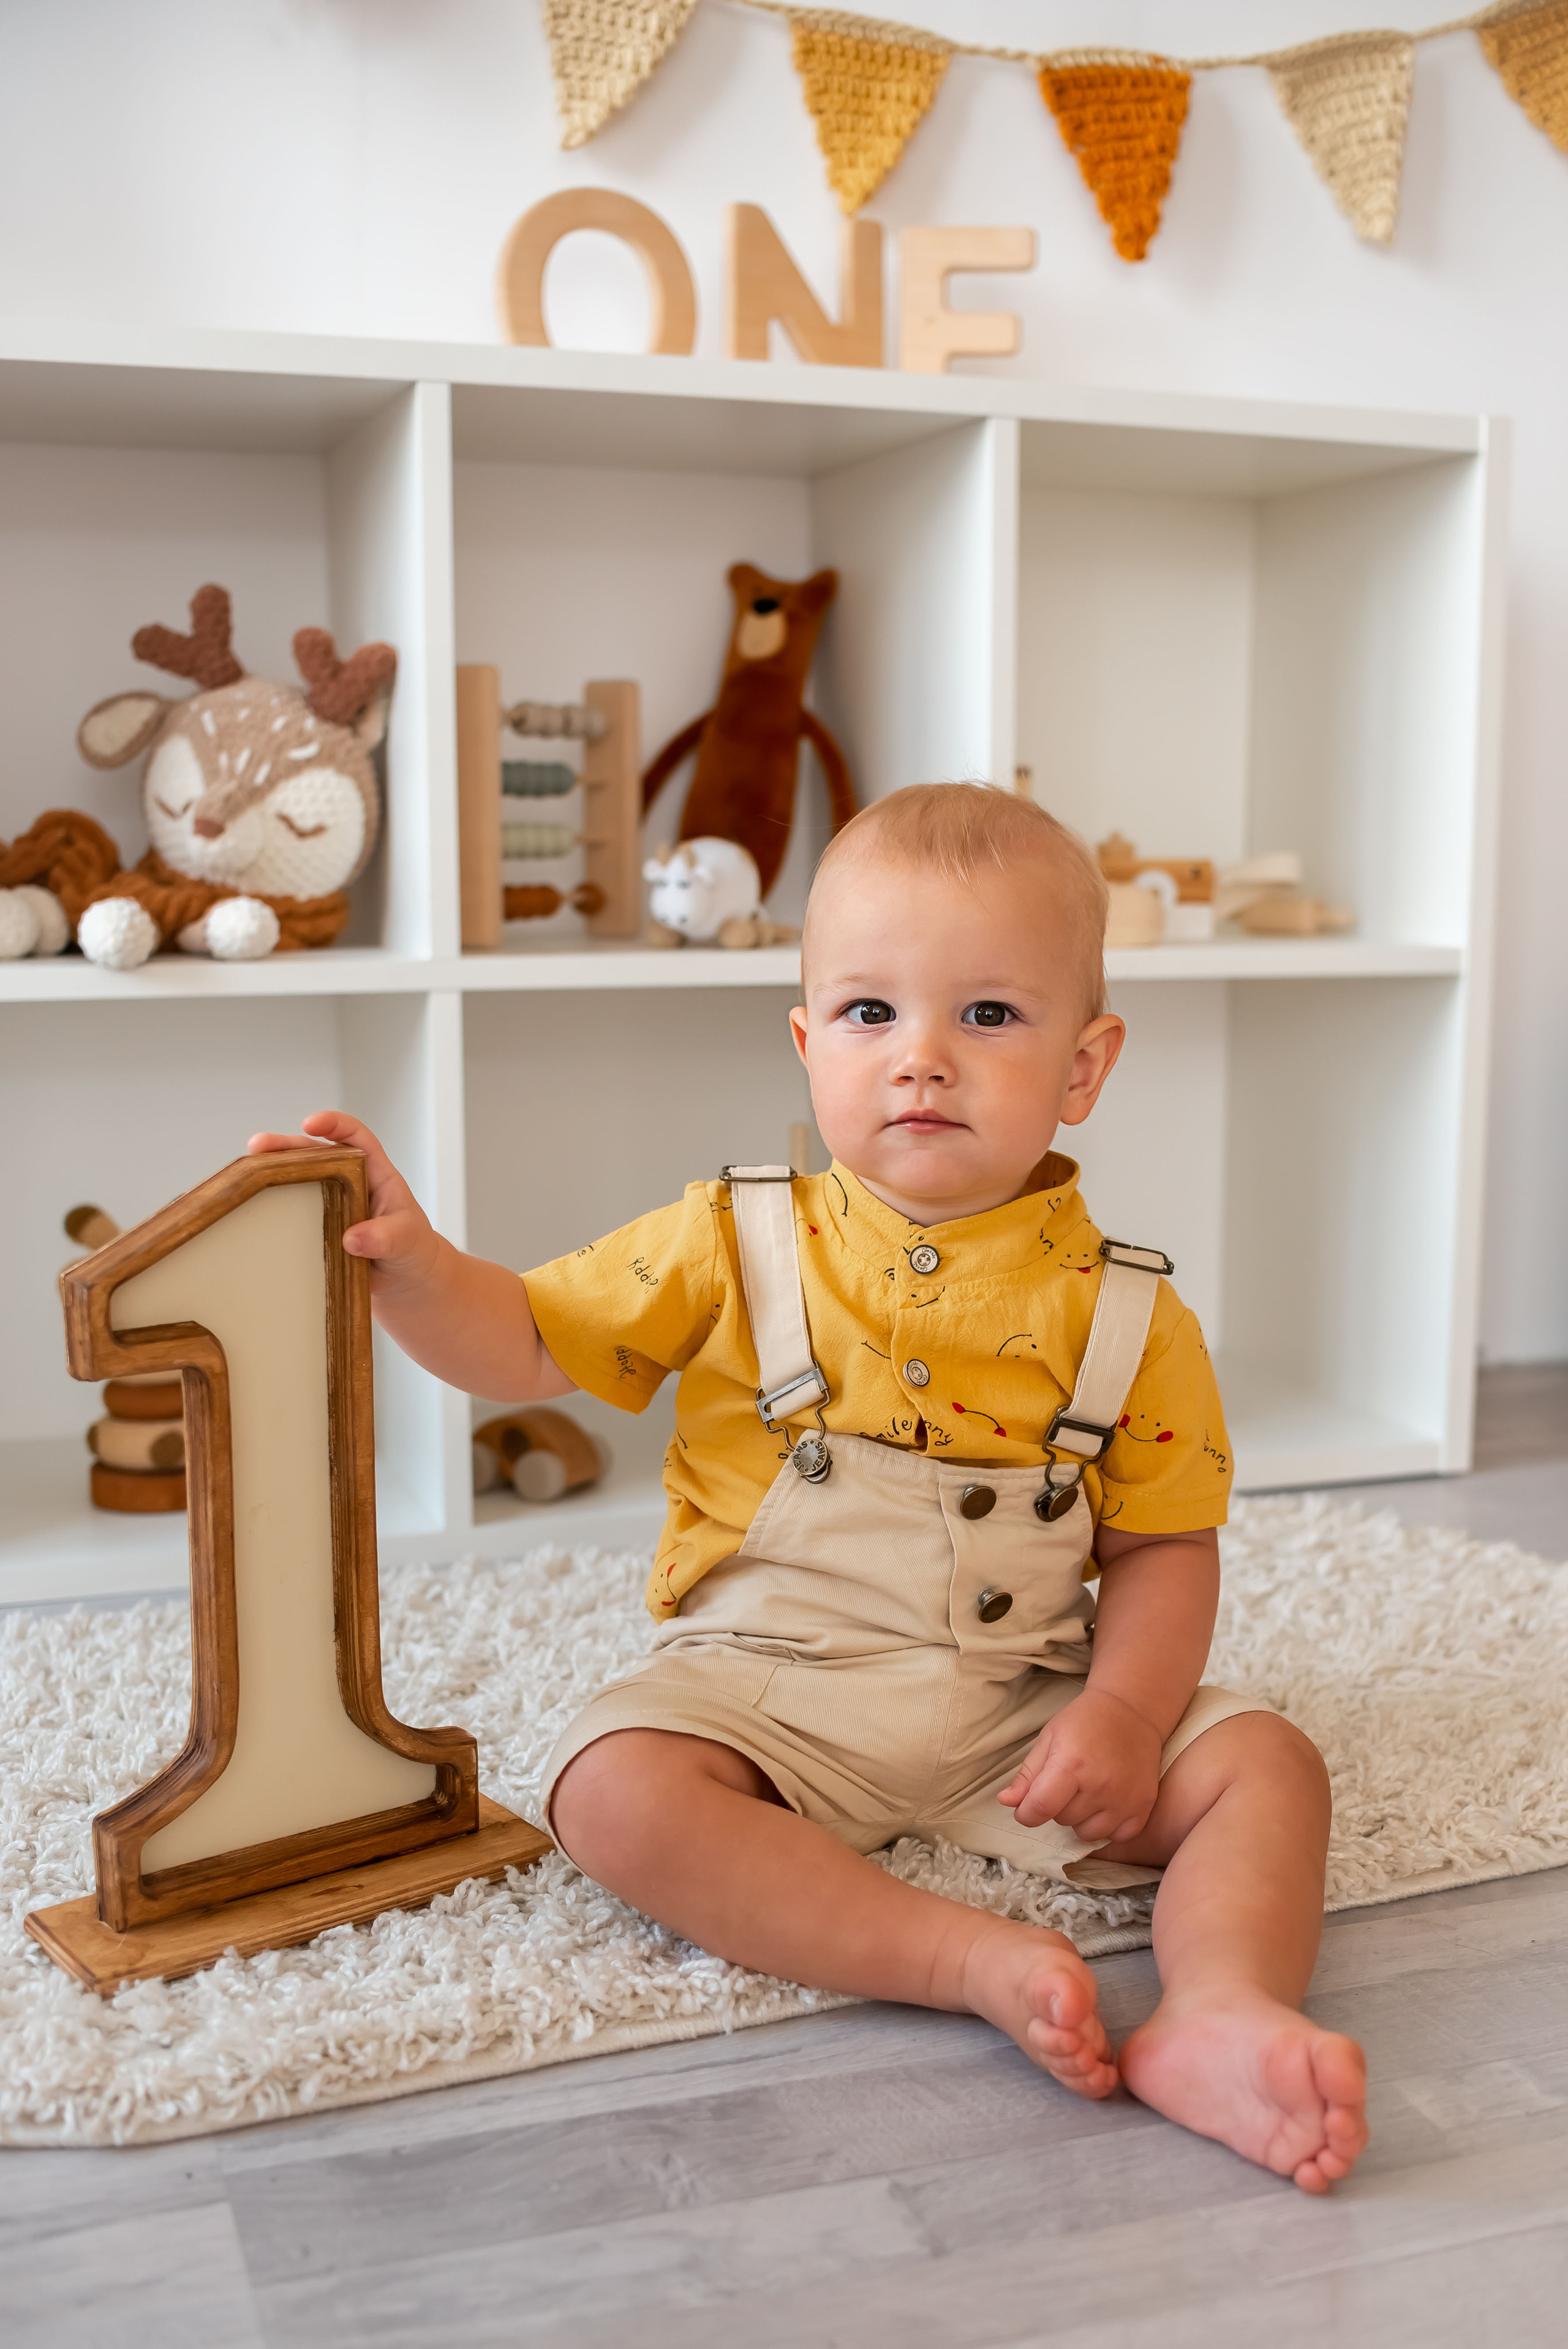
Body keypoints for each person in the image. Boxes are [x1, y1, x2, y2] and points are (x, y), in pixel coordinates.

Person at [250, 783, 1366, 2193]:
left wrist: (1124, 1715)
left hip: (1018, 1707)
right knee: (609, 1790)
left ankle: (1219, 2009)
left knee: (1267, 1765)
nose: (920, 1063)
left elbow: (1161, 1552)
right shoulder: (731, 1236)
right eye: (867, 1015)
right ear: (803, 1042)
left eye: (986, 1017)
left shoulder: (1129, 1318)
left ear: (1083, 1069)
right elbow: (527, 1337)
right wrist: (411, 1262)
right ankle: (952, 1956)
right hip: (767, 1686)